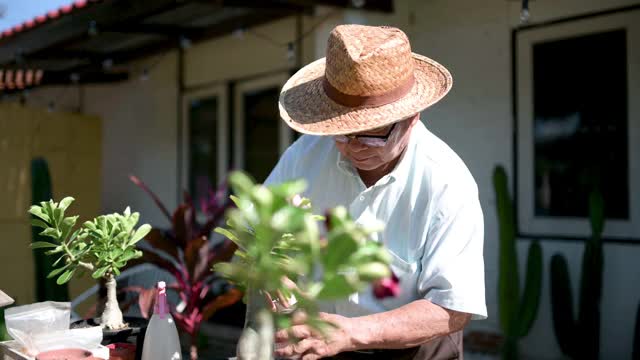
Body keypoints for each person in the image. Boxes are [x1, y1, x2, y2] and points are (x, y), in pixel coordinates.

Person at [245, 24, 486, 360]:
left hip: (412, 349)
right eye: (342, 133)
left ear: (412, 117)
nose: (352, 147)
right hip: (319, 344)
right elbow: (255, 228)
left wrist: (350, 333)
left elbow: (453, 307)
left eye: (372, 134)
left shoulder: (446, 181)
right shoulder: (306, 154)